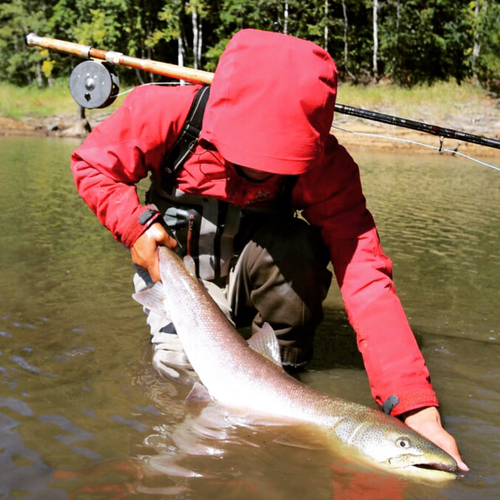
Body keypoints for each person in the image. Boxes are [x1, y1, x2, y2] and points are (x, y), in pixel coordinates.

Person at [70, 29, 467, 470]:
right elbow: (93, 165)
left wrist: (416, 408)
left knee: (299, 244)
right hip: (178, 272)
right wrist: (135, 227)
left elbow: (367, 280)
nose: (259, 169)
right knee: (178, 382)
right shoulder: (162, 111)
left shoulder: (329, 168)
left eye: (278, 160)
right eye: (246, 156)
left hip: (252, 272)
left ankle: (282, 369)